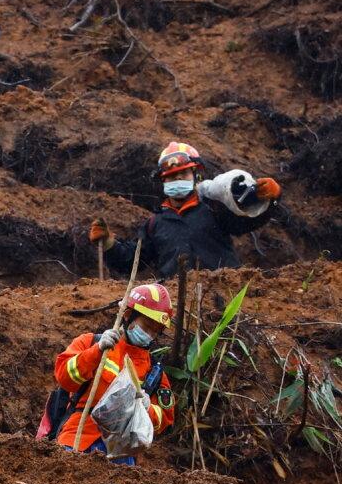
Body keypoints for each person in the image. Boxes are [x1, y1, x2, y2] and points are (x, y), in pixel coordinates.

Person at [90, 142, 283, 279]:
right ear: (163, 181)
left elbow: (245, 221)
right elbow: (133, 261)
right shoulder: (155, 223)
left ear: (195, 175)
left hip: (223, 293)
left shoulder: (213, 208)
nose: (177, 179)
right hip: (178, 304)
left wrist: (269, 200)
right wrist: (108, 244)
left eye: (183, 173)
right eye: (171, 176)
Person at [52, 283, 176, 465]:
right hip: (78, 439)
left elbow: (164, 420)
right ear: (127, 315)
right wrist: (96, 352)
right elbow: (64, 377)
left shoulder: (154, 372)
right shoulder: (89, 342)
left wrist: (146, 408)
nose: (149, 334)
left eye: (155, 331)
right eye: (147, 326)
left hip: (120, 454)